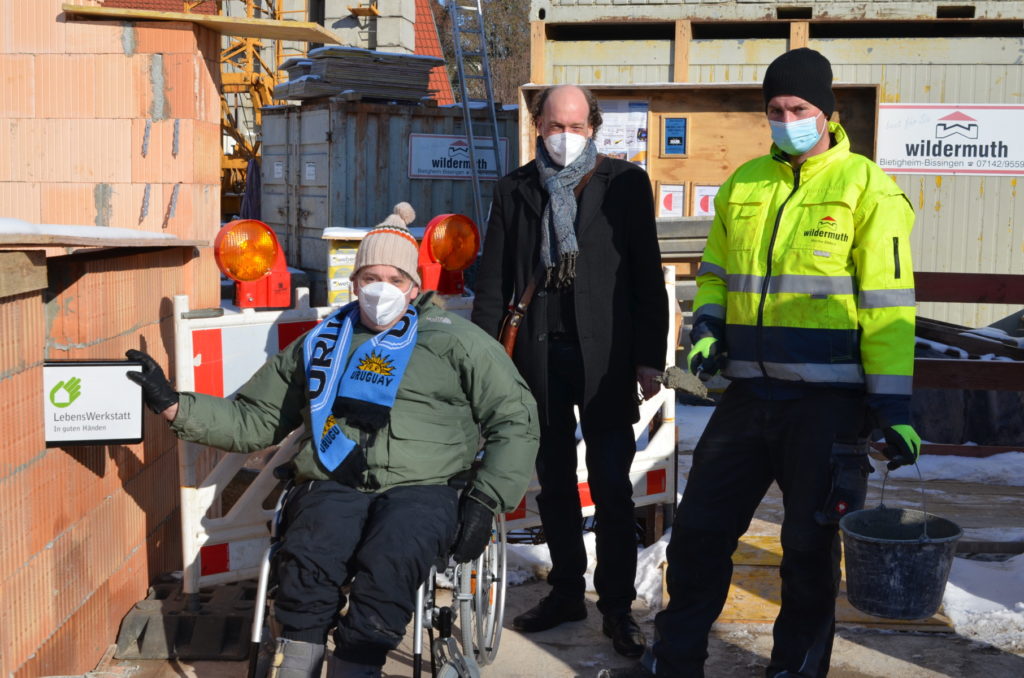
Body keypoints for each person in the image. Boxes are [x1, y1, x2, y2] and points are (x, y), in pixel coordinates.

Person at [600, 48, 921, 678]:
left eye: (798, 108)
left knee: (807, 550)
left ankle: (795, 668)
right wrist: (708, 327)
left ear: (827, 113)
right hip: (747, 397)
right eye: (775, 109)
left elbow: (887, 308)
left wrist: (893, 406)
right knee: (698, 535)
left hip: (829, 407)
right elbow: (716, 272)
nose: (786, 119)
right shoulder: (745, 184)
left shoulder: (868, 189)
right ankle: (675, 662)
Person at [127, 203, 540, 678]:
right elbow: (257, 417)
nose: (382, 289)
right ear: (354, 283)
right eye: (370, 277)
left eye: (395, 279)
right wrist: (174, 405)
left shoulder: (458, 342)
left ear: (414, 286)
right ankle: (296, 663)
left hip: (423, 485)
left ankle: (356, 666)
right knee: (309, 559)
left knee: (391, 560)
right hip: (332, 479)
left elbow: (516, 419)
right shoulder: (323, 342)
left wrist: (486, 499)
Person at [471, 84, 669, 658]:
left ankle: (616, 606)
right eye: (556, 125)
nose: (566, 136)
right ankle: (564, 591)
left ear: (593, 128)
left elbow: (646, 273)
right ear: (538, 125)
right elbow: (493, 282)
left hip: (606, 360)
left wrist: (649, 358)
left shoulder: (624, 183)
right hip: (537, 359)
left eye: (577, 126)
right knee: (554, 484)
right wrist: (485, 363)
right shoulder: (514, 189)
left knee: (611, 486)